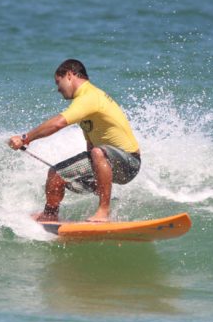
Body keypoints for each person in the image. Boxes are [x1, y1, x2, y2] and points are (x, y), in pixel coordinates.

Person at [8, 59, 141, 222]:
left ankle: (103, 212)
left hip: (129, 162)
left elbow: (58, 123)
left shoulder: (90, 96)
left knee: (98, 152)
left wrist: (25, 138)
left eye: (58, 82)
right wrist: (87, 178)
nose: (58, 89)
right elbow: (90, 144)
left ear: (69, 75)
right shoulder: (83, 103)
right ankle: (50, 215)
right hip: (106, 161)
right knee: (57, 174)